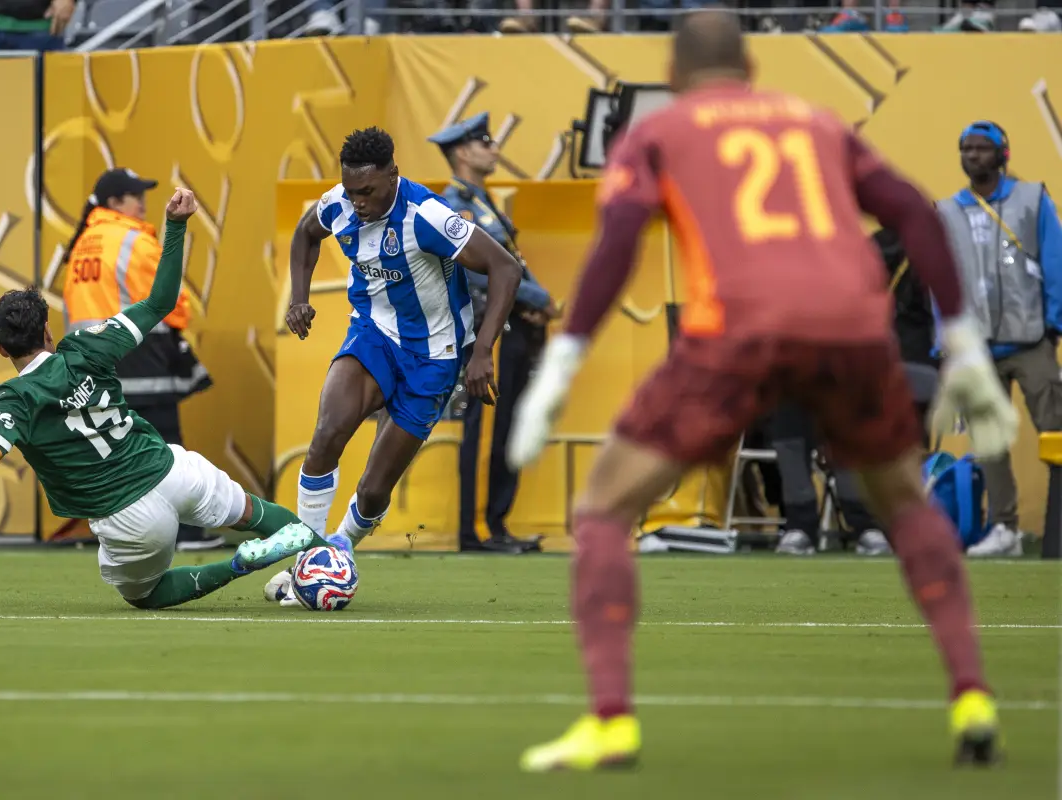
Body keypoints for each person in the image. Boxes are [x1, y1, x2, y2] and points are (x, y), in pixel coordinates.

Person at [508, 9, 1017, 771]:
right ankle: (973, 697)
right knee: (907, 505)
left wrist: (564, 357)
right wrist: (965, 341)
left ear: (673, 77)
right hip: (853, 331)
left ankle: (611, 720)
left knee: (604, 508)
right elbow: (915, 210)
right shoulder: (816, 121)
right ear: (751, 71)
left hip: (738, 330)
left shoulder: (659, 131)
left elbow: (618, 241)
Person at [0, 189, 335, 609]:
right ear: (48, 332)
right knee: (257, 513)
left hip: (128, 516)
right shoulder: (88, 346)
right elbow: (160, 302)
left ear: (2, 350)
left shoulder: (13, 399)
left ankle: (239, 565)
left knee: (146, 595)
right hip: (173, 470)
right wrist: (175, 226)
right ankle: (331, 563)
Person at [283, 127, 521, 554]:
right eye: (351, 190)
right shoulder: (339, 203)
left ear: (393, 174)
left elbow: (505, 268)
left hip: (435, 356)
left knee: (373, 491)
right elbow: (305, 233)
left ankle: (341, 549)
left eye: (367, 191)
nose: (357, 202)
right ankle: (307, 556)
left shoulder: (427, 216)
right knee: (327, 433)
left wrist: (483, 351)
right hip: (372, 333)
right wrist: (299, 298)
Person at [61, 168, 219, 551]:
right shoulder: (132, 239)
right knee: (167, 450)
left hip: (93, 364)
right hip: (141, 358)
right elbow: (173, 302)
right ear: (115, 202)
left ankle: (123, 535)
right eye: (136, 196)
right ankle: (184, 534)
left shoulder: (81, 244)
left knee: (114, 452)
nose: (143, 203)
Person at [936, 121, 1062, 557]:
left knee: (1056, 431)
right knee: (988, 441)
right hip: (976, 346)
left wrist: (1055, 323)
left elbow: (1055, 260)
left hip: (1031, 339)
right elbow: (941, 280)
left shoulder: (1032, 199)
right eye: (966, 149)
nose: (973, 156)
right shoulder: (947, 211)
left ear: (1002, 154)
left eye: (982, 148)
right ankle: (1004, 528)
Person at [432, 112, 554, 554]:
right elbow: (476, 269)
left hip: (512, 324)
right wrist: (539, 298)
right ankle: (477, 531)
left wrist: (535, 301)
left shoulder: (483, 203)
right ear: (463, 152)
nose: (494, 149)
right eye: (485, 142)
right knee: (483, 428)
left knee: (506, 425)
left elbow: (511, 262)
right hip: (490, 327)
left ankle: (496, 525)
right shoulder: (455, 205)